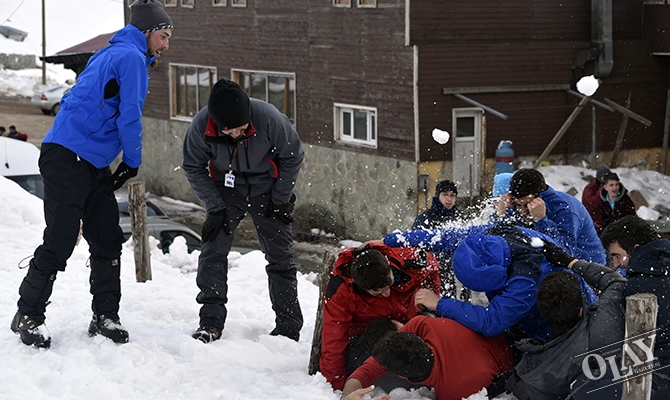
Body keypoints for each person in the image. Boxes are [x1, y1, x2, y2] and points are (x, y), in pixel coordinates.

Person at [9, 0, 173, 349]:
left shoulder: (111, 52)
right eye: (163, 35)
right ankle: (28, 314)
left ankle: (105, 316)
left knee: (107, 236)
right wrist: (132, 161)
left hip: (90, 161)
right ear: (146, 32)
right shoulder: (129, 58)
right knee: (60, 240)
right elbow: (128, 116)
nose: (165, 44)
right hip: (69, 156)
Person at [182, 78, 304, 344]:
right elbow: (193, 166)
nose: (237, 134)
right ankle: (211, 322)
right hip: (227, 190)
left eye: (242, 129)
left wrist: (281, 198)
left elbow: (293, 155)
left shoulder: (269, 117)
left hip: (268, 190)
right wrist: (214, 207)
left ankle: (288, 327)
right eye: (231, 131)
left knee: (281, 259)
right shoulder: (202, 125)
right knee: (213, 251)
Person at [411, 224, 597, 342]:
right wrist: (391, 241)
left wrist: (439, 304)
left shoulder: (523, 283)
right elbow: (443, 236)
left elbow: (491, 322)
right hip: (561, 296)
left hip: (562, 325)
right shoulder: (493, 235)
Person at [506, 240, 627, 400]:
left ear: (543, 315)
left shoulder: (537, 371)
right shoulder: (608, 319)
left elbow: (519, 388)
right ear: (580, 310)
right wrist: (571, 262)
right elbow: (616, 281)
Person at [320, 243, 440, 391]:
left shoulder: (410, 260)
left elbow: (433, 266)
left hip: (412, 322)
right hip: (371, 336)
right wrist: (335, 388)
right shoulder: (342, 292)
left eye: (390, 284)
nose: (387, 294)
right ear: (361, 287)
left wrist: (432, 299)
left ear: (389, 267)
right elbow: (334, 342)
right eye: (378, 292)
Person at [341, 315, 514, 400]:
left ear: (403, 375)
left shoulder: (453, 392)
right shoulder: (422, 324)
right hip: (506, 327)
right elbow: (366, 371)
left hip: (517, 362)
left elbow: (364, 372)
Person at [600, 215, 670, 396]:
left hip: (660, 374)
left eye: (617, 256)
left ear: (636, 249)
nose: (615, 264)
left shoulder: (638, 288)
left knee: (585, 386)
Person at [502, 168, 606, 264]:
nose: (522, 211)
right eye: (518, 205)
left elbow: (564, 253)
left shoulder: (565, 209)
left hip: (588, 268)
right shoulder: (519, 207)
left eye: (527, 205)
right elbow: (504, 237)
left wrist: (541, 220)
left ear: (540, 199)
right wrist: (501, 215)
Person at [412, 179, 466, 299]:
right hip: (431, 274)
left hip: (454, 274)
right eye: (445, 194)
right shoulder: (426, 219)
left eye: (452, 195)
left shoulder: (459, 219)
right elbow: (415, 247)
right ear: (438, 195)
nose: (449, 199)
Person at [581, 164, 611, 229]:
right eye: (604, 177)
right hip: (593, 224)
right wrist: (602, 188)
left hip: (605, 223)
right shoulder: (589, 188)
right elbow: (594, 203)